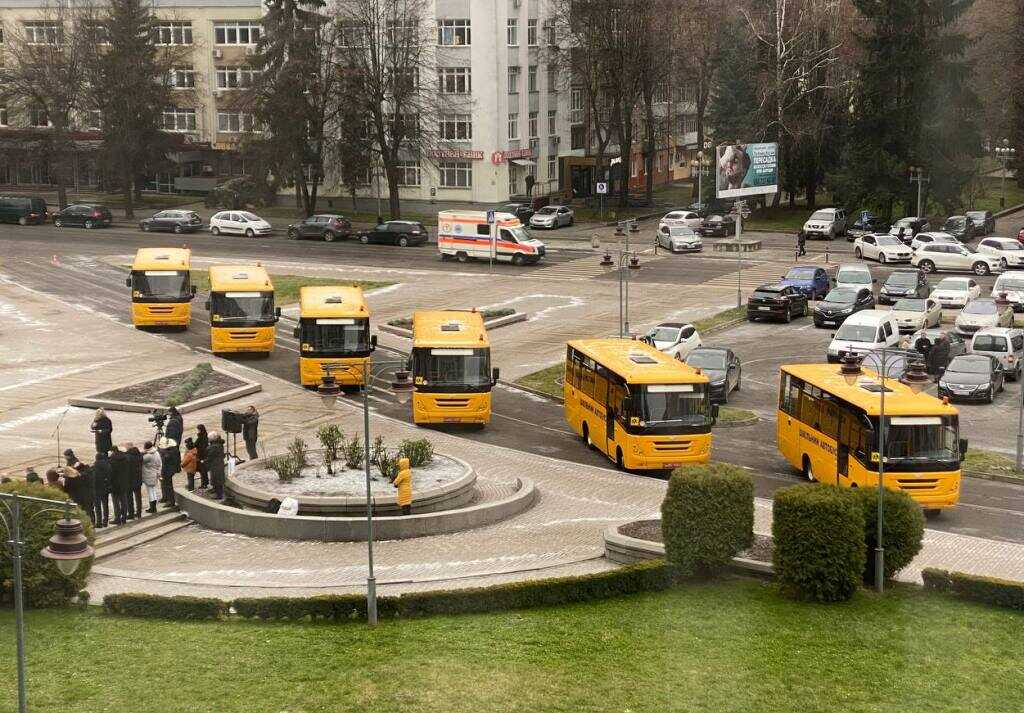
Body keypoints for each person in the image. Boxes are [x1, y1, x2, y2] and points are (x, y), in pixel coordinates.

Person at [109, 445, 130, 525]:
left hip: (115, 484)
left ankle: (117, 518)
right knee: (124, 500)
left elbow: (111, 473)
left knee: (116, 502)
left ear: (112, 451)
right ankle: (124, 518)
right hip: (124, 482)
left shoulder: (112, 460)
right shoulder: (125, 458)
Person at [91, 451, 111, 528]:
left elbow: (94, 478)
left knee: (98, 506)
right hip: (105, 487)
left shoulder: (95, 467)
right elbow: (110, 476)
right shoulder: (108, 465)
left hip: (97, 489)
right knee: (105, 505)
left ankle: (99, 523)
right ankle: (105, 521)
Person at [158, 437, 180, 508]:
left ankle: (171, 501)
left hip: (168, 470)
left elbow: (165, 459)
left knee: (168, 486)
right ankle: (165, 497)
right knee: (164, 484)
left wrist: (161, 451)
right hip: (167, 470)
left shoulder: (171, 451)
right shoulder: (174, 449)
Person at [141, 441, 162, 514]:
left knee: (150, 492)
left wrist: (142, 453)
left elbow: (141, 459)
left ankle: (152, 508)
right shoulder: (156, 452)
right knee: (153, 491)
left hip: (149, 475)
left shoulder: (148, 455)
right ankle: (154, 507)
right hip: (155, 473)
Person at [126, 443, 144, 520]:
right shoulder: (140, 456)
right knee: (138, 497)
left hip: (130, 480)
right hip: (138, 479)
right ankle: (139, 512)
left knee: (129, 498)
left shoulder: (128, 457)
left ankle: (131, 513)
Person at [207, 431, 226, 500]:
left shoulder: (214, 447)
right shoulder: (219, 444)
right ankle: (215, 490)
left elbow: (210, 456)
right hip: (217, 464)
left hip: (216, 465)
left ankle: (219, 495)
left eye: (209, 438)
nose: (208, 439)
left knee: (217, 479)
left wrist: (204, 461)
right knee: (215, 478)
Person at [195, 424, 210, 490]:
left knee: (203, 471)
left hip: (202, 457)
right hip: (203, 456)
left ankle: (204, 484)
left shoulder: (201, 437)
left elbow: (196, 445)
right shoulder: (204, 436)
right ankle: (204, 483)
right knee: (203, 471)